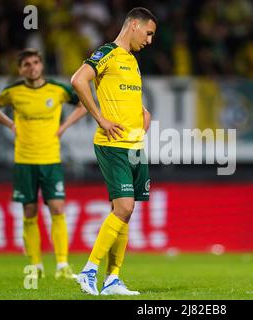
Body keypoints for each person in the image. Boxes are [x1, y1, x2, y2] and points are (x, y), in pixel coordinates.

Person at [70, 7, 156, 296]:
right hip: (113, 146)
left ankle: (112, 280)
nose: (150, 40)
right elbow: (78, 80)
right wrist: (100, 119)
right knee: (124, 207)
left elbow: (128, 98)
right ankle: (89, 270)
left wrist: (144, 114)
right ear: (133, 25)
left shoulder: (132, 60)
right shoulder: (107, 52)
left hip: (134, 145)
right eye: (148, 33)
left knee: (124, 213)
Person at [0, 48, 87, 280]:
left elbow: (83, 105)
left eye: (35, 62)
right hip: (25, 160)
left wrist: (63, 127)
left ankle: (62, 265)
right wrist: (10, 124)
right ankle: (36, 264)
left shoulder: (58, 89)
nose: (32, 67)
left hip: (51, 159)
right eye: (26, 64)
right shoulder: (13, 92)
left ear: (41, 65)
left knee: (57, 209)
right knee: (29, 212)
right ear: (20, 69)